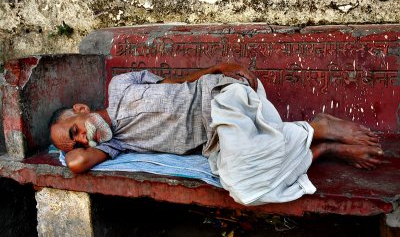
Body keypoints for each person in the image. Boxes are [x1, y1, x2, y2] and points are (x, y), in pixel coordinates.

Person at [49, 63, 383, 205]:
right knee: (244, 188)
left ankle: (317, 128)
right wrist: (70, 147)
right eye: (76, 141)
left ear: (81, 109)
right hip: (217, 140)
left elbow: (176, 82)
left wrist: (217, 68)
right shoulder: (117, 144)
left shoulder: (120, 86)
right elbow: (77, 162)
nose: (82, 139)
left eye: (75, 131)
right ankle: (320, 148)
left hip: (222, 98)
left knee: (249, 157)